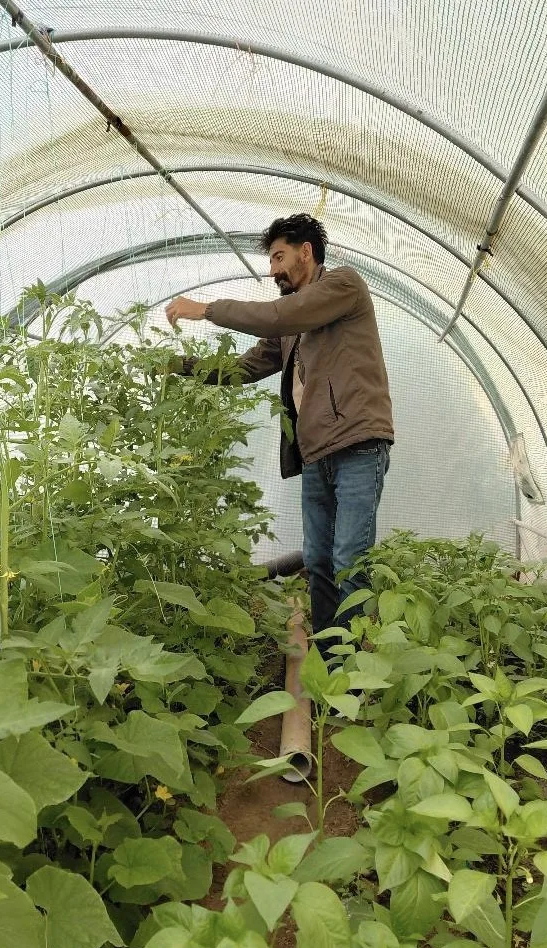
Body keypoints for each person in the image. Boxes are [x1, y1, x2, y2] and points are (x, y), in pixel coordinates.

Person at [165, 213, 394, 652]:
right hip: (316, 453)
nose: (272, 271)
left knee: (349, 559)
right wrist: (181, 369)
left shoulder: (343, 286)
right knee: (319, 561)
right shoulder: (290, 329)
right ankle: (331, 657)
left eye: (278, 257)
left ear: (306, 251)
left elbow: (279, 315)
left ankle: (352, 670)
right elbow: (245, 367)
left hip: (358, 444)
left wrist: (207, 310)